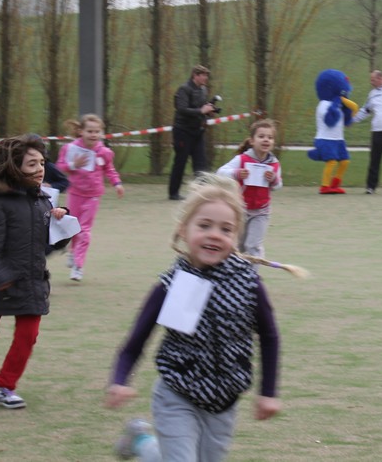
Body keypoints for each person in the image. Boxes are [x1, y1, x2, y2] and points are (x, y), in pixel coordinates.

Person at [105, 174, 281, 462]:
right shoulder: (170, 285)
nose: (215, 234)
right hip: (176, 394)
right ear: (183, 230)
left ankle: (141, 442)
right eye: (204, 225)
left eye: (226, 229)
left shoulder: (249, 283)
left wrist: (268, 391)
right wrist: (120, 379)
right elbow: (137, 340)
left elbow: (270, 337)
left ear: (236, 237)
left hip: (224, 401)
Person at [0, 134, 70, 409]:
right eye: (31, 164)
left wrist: (64, 225)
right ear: (15, 168)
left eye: (42, 163)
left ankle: (4, 386)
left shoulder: (43, 201)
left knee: (28, 336)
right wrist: (1, 278)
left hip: (32, 282)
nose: (40, 169)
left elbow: (52, 243)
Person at [56, 113, 124, 281]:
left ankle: (78, 266)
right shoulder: (70, 149)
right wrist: (74, 165)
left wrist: (117, 183)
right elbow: (60, 167)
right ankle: (73, 252)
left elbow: (110, 169)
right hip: (75, 193)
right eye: (90, 131)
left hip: (93, 195)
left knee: (85, 230)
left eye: (97, 131)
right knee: (73, 227)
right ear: (81, 132)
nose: (93, 135)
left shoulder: (104, 152)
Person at [216, 119, 283, 258]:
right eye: (261, 136)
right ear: (252, 141)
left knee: (253, 246)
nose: (266, 140)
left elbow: (278, 186)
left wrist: (273, 179)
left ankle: (253, 271)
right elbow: (220, 172)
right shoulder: (242, 159)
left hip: (261, 212)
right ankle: (235, 269)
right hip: (240, 209)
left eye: (270, 137)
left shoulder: (274, 164)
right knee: (238, 246)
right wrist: (236, 173)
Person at [169, 64, 216, 201]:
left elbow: (201, 108)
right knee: (180, 162)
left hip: (198, 131)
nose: (206, 78)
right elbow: (182, 109)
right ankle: (173, 193)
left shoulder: (203, 90)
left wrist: (209, 111)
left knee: (201, 163)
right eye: (203, 75)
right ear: (195, 75)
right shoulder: (184, 89)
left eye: (206, 76)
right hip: (183, 131)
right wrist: (201, 111)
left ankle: (202, 192)